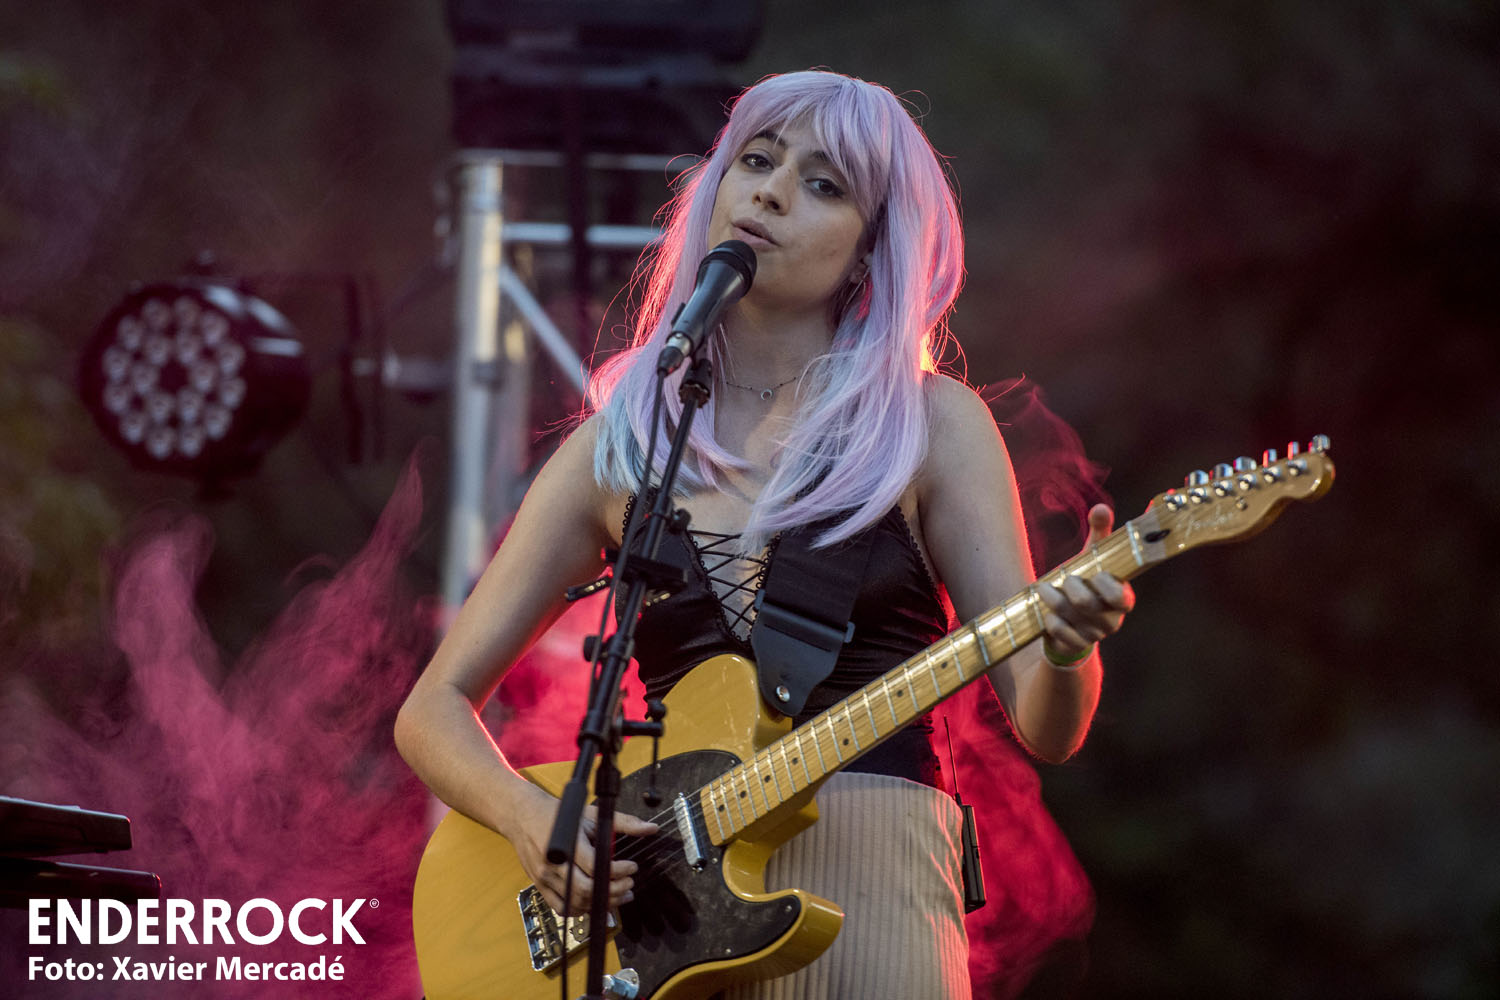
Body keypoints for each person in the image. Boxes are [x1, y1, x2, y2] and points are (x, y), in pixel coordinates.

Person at [395, 70, 1134, 999]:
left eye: (824, 185)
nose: (773, 192)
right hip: (666, 933)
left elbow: (1047, 725)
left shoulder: (933, 426)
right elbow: (431, 709)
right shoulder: (622, 446)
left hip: (878, 908)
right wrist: (525, 814)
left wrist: (1067, 650)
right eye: (756, 161)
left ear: (870, 251)